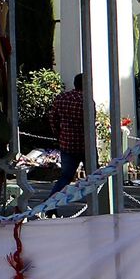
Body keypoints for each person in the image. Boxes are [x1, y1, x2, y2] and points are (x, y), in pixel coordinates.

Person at [46, 73, 87, 202]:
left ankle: (51, 203)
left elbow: (53, 119)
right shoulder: (86, 100)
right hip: (85, 144)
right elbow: (89, 123)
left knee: (65, 177)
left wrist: (59, 135)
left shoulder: (61, 98)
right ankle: (97, 204)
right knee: (93, 176)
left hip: (67, 144)